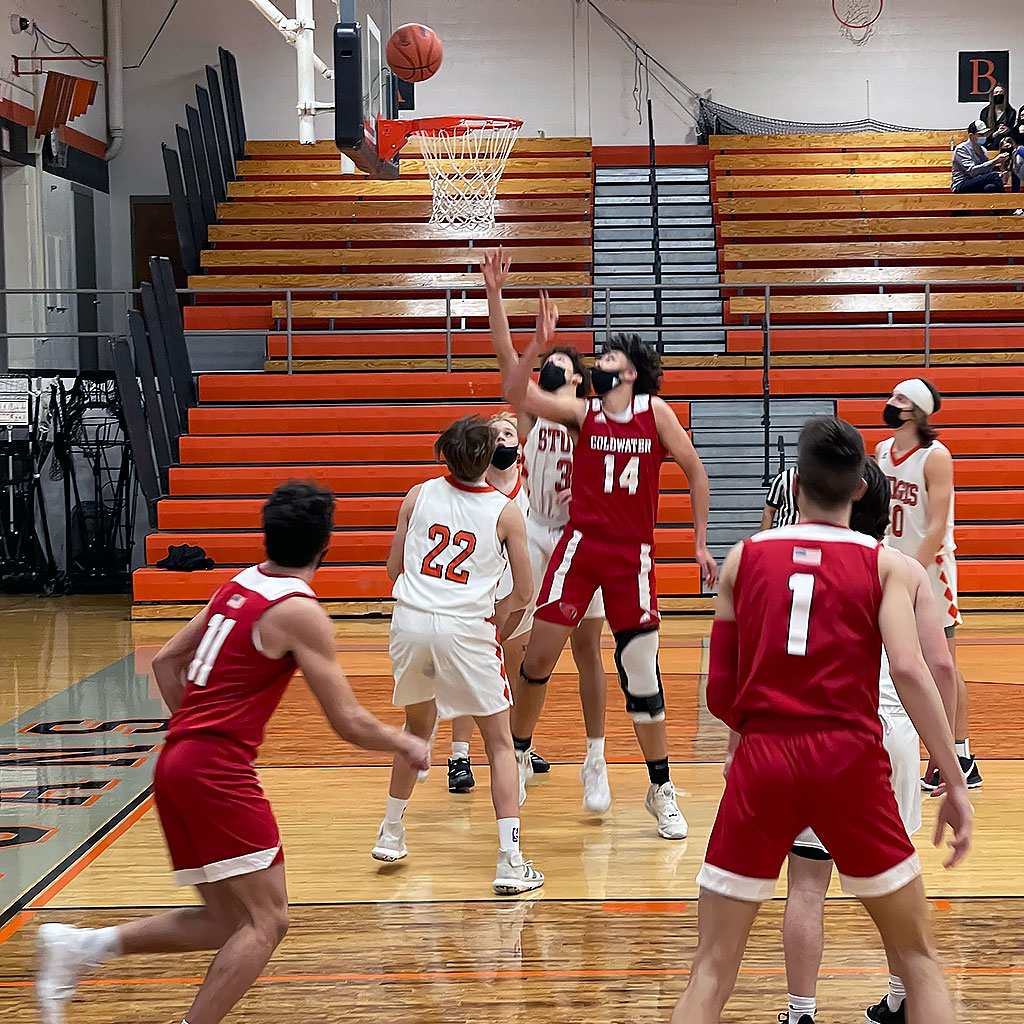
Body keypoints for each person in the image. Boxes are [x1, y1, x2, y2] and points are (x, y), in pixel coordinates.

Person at [35, 481, 431, 1024]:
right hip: (213, 770)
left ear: (267, 535)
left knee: (226, 919)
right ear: (326, 546)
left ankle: (79, 947)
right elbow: (348, 722)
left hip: (176, 762)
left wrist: (195, 735)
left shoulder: (237, 585)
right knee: (269, 921)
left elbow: (164, 663)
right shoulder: (300, 611)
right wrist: (404, 740)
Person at [670, 416, 973, 1024]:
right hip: (850, 761)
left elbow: (721, 691)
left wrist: (754, 737)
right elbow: (912, 673)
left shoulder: (742, 559)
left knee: (710, 969)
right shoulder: (892, 567)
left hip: (764, 761)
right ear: (862, 487)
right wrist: (954, 774)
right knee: (919, 959)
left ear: (795, 482)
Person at [497, 294, 719, 840]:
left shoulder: (657, 414)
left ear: (632, 370)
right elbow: (513, 392)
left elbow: (696, 472)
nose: (601, 362)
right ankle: (520, 753)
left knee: (641, 670)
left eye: (610, 357)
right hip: (580, 547)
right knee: (538, 658)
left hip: (632, 556)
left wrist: (699, 544)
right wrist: (537, 342)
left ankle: (659, 786)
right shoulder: (584, 413)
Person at [780, 459, 958, 1024]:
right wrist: (947, 756)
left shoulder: (788, 563)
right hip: (893, 735)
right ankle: (904, 1000)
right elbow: (939, 666)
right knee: (896, 881)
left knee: (807, 881)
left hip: (816, 732)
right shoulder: (901, 568)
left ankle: (800, 1012)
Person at [372, 415, 544, 894]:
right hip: (466, 630)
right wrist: (499, 628)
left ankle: (391, 831)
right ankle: (510, 861)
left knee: (417, 728)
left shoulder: (418, 494)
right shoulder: (506, 511)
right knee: (501, 744)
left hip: (409, 624)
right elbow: (524, 592)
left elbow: (392, 569)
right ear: (489, 457)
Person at [483, 248, 613, 814]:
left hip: (582, 537)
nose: (549, 372)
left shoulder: (595, 416)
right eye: (547, 367)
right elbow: (507, 361)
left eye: (560, 367)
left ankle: (596, 759)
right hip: (536, 533)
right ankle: (517, 744)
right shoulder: (533, 413)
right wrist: (496, 296)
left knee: (588, 651)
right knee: (519, 646)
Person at [875, 378, 982, 791]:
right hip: (894, 566)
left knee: (943, 665)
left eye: (900, 398)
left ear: (917, 411)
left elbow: (936, 526)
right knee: (897, 662)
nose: (890, 402)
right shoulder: (883, 451)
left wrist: (912, 574)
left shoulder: (936, 456)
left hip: (931, 573)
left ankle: (961, 755)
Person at [445, 411, 547, 796]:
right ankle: (459, 755)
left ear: (521, 446)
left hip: (523, 594)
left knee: (520, 672)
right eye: (495, 434)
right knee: (469, 677)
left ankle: (521, 743)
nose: (503, 438)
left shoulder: (534, 490)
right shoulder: (473, 489)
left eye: (509, 432)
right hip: (479, 596)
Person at [951, 121, 1007, 194]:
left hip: (977, 181)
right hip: (962, 183)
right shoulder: (962, 149)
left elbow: (985, 171)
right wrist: (994, 162)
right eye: (981, 134)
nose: (984, 136)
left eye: (985, 134)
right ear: (971, 135)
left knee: (990, 187)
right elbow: (972, 171)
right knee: (994, 176)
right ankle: (1006, 201)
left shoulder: (983, 149)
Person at [760, 464, 798, 531]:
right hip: (786, 534)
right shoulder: (784, 478)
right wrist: (765, 537)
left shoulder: (821, 478)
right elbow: (769, 511)